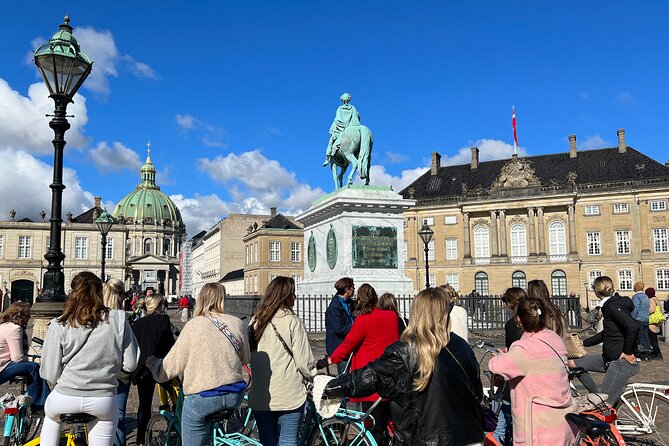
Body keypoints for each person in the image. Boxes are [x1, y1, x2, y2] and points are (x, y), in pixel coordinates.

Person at [324, 287, 484, 446]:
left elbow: (368, 377)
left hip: (425, 439)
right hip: (469, 436)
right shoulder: (461, 346)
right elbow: (476, 390)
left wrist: (329, 387)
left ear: (416, 313)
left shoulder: (405, 351)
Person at [40, 272, 140, 446]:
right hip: (104, 398)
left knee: (51, 417)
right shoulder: (118, 318)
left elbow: (50, 373)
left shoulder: (60, 323)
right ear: (100, 292)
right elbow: (131, 364)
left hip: (66, 396)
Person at [147, 283, 250, 446]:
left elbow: (170, 367)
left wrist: (153, 364)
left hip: (203, 397)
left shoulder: (193, 326)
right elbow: (245, 358)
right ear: (223, 299)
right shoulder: (236, 323)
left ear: (201, 299)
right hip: (233, 395)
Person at [488, 297, 576, 446]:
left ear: (519, 320)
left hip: (537, 427)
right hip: (563, 420)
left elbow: (495, 366)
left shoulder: (523, 348)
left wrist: (501, 356)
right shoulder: (554, 338)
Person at [329, 284, 399, 445]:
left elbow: (347, 346)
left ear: (360, 300)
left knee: (372, 427)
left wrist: (331, 360)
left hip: (369, 380)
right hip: (390, 379)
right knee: (390, 424)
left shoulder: (362, 321)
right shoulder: (391, 317)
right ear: (376, 298)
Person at [248, 277, 315, 446]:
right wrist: (314, 377)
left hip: (262, 393)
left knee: (267, 441)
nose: (295, 297)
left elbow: (248, 355)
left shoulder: (256, 320)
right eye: (293, 293)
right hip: (289, 394)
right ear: (284, 296)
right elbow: (303, 362)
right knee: (288, 440)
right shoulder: (292, 321)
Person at [573, 276, 640, 405]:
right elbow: (608, 333)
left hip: (620, 361)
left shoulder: (612, 306)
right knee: (574, 364)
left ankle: (600, 404)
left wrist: (627, 352)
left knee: (605, 405)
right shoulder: (610, 305)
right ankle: (596, 397)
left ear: (596, 291)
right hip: (609, 356)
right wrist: (584, 342)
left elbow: (632, 327)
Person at [131, 294, 175, 444]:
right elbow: (168, 343)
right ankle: (176, 425)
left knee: (144, 405)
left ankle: (141, 439)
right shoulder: (163, 320)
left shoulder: (137, 324)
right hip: (161, 366)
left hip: (143, 369)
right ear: (158, 306)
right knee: (175, 396)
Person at [490, 287, 527, 446]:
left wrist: (501, 357)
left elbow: (513, 354)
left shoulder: (513, 324)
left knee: (500, 422)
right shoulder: (535, 323)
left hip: (514, 382)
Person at [0, 302, 49, 414]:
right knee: (34, 367)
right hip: (2, 368)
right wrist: (29, 360)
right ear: (19, 316)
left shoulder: (3, 326)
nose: (29, 318)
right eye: (28, 315)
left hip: (4, 365)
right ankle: (38, 405)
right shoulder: (14, 329)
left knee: (31, 367)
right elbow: (17, 358)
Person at [103, 279, 133, 446]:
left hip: (96, 377)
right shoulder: (121, 318)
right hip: (119, 376)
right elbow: (132, 360)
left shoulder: (94, 315)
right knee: (118, 417)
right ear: (121, 295)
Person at [325, 277, 355, 374]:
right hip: (341, 346)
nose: (354, 289)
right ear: (347, 289)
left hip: (350, 344)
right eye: (353, 287)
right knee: (343, 376)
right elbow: (339, 329)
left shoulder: (349, 303)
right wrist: (356, 327)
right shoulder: (334, 307)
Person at [323, 93, 361, 166]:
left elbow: (338, 119)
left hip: (341, 129)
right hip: (351, 127)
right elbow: (356, 118)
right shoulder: (353, 108)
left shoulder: (340, 108)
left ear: (342, 100)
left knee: (331, 141)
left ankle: (328, 158)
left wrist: (339, 127)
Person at [631, 281, 652, 358]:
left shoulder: (636, 297)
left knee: (640, 336)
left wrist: (631, 318)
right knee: (646, 335)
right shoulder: (645, 296)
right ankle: (648, 350)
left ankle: (642, 352)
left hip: (638, 319)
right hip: (646, 318)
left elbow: (635, 309)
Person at [646, 287, 664, 360]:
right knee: (654, 339)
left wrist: (645, 312)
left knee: (652, 339)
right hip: (656, 321)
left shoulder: (651, 300)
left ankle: (658, 354)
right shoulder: (657, 300)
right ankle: (655, 352)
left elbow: (652, 310)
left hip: (652, 322)